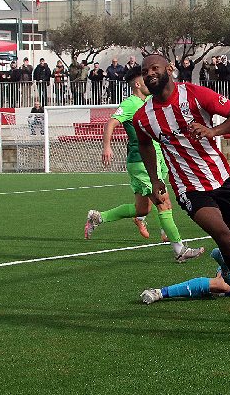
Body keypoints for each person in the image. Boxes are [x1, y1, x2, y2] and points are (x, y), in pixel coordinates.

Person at [132, 54, 230, 334]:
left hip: (220, 177)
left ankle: (226, 260)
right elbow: (144, 144)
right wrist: (155, 179)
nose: (149, 74)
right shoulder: (144, 117)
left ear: (169, 69)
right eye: (145, 71)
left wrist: (212, 130)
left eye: (154, 68)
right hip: (187, 186)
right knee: (225, 237)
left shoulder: (195, 94)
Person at [84, 67, 203, 263]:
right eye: (145, 80)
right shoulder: (130, 103)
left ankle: (98, 217)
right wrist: (107, 147)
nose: (150, 82)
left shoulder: (149, 101)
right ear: (138, 84)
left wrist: (169, 73)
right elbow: (111, 123)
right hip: (140, 162)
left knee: (142, 210)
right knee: (163, 203)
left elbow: (170, 90)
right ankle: (179, 249)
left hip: (156, 159)